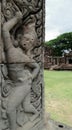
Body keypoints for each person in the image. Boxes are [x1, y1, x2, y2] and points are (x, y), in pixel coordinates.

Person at [2, 11, 40, 130]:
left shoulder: (25, 57)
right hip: (19, 83)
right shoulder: (10, 49)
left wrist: (31, 77)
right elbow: (4, 29)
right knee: (27, 107)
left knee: (10, 109)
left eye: (31, 42)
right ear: (20, 37)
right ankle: (37, 114)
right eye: (27, 39)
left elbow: (37, 67)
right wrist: (16, 18)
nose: (28, 43)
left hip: (23, 84)